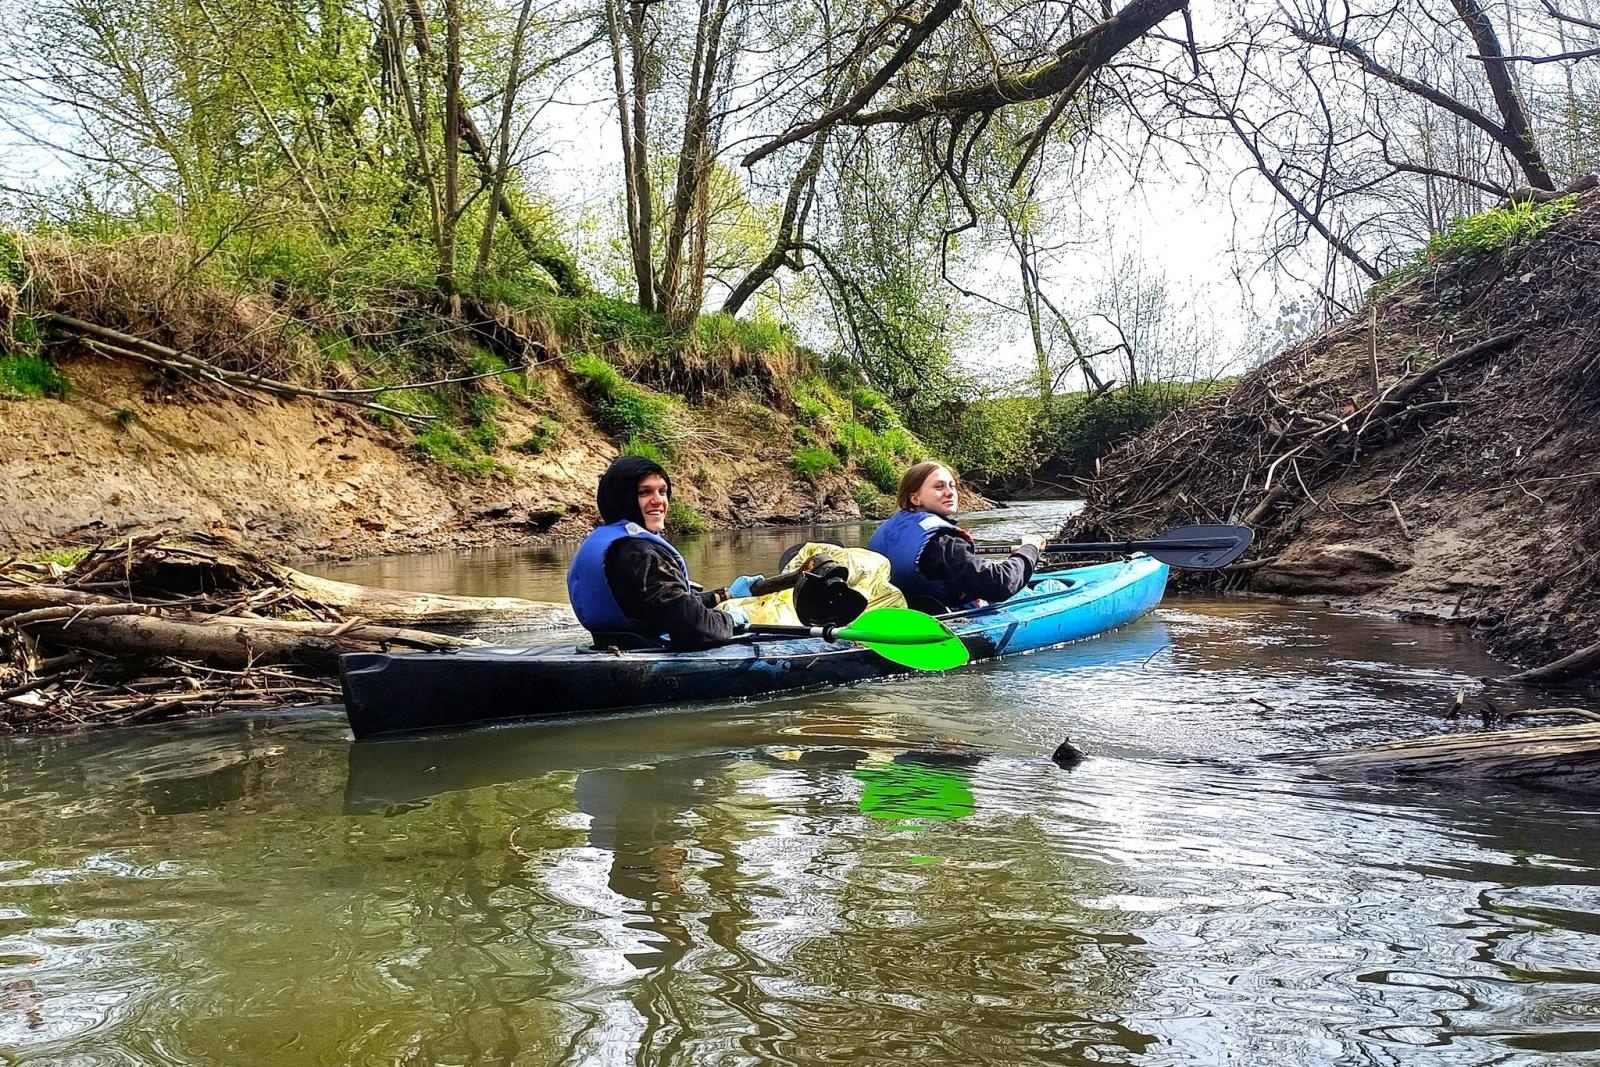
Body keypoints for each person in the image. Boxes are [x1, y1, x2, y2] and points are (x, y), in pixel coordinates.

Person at [567, 456, 762, 648]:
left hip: (615, 645)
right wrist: (730, 620)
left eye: (662, 491)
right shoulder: (641, 555)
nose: (658, 501)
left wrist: (725, 595)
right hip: (645, 649)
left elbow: (670, 605)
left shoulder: (609, 542)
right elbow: (697, 628)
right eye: (645, 493)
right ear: (623, 498)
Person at [867, 461, 1045, 611]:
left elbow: (949, 557)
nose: (949, 492)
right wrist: (1030, 549)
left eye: (952, 486)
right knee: (1049, 588)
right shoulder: (944, 543)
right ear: (915, 498)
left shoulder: (888, 529)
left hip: (907, 614)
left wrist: (1014, 547)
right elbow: (1001, 584)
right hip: (949, 619)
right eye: (939, 487)